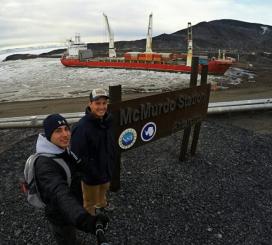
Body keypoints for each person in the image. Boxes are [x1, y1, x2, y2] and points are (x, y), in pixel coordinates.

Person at [34, 113, 109, 245]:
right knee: (66, 237)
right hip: (60, 214)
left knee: (71, 234)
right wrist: (85, 220)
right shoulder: (45, 165)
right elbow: (60, 194)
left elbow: (80, 166)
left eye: (66, 129)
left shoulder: (61, 150)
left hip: (72, 209)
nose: (65, 134)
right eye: (58, 131)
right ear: (48, 135)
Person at [71, 88, 116, 215]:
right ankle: (90, 218)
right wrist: (89, 172)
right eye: (97, 103)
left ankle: (102, 204)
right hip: (91, 176)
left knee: (103, 190)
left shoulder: (109, 121)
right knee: (89, 200)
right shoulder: (81, 127)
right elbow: (76, 156)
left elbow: (111, 143)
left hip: (106, 169)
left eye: (104, 103)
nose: (101, 107)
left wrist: (111, 162)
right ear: (90, 104)